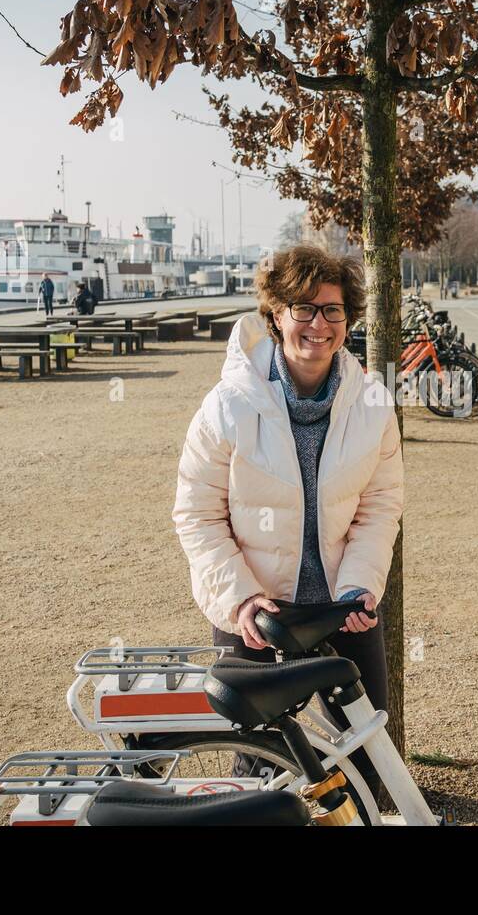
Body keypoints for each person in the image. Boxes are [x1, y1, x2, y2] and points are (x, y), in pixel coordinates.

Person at [173, 245, 402, 800]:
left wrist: (358, 587)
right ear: (275, 316)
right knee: (258, 764)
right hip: (254, 609)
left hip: (338, 607)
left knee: (369, 755)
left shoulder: (373, 403)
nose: (318, 325)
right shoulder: (228, 405)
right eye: (303, 308)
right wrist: (242, 600)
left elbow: (379, 508)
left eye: (333, 310)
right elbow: (197, 514)